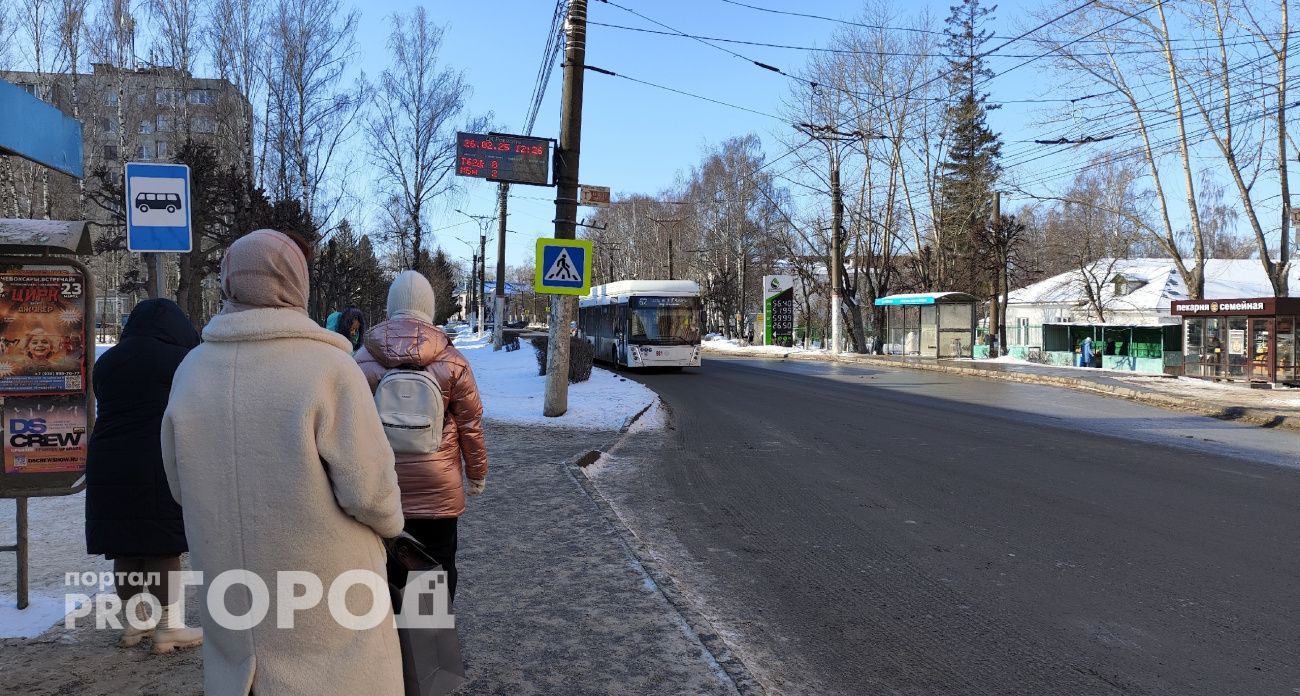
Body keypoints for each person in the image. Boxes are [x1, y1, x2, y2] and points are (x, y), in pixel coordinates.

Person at [161, 229, 405, 696]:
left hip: (234, 595)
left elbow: (179, 484)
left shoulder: (191, 371)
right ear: (297, 284)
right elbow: (370, 492)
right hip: (326, 598)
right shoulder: (329, 369)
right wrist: (391, 525)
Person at [356, 270, 488, 603]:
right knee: (435, 571)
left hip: (381, 489)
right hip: (438, 493)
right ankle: (429, 645)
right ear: (428, 310)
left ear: (390, 307)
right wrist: (476, 474)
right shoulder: (453, 361)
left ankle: (390, 645)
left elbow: (349, 428)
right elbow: (471, 426)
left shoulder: (362, 360)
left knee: (384, 572)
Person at [85, 299, 202, 653]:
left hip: (107, 461)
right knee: (161, 545)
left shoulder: (108, 361)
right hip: (157, 459)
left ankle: (135, 624)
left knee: (125, 545)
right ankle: (169, 628)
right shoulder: (180, 361)